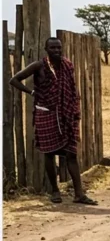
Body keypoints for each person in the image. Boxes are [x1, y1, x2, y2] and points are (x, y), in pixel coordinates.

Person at [9, 36, 98, 205]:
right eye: (53, 48)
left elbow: (71, 89)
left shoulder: (67, 65)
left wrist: (73, 109)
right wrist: (32, 93)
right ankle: (55, 191)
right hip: (46, 113)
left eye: (59, 48)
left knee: (71, 153)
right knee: (49, 154)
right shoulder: (39, 66)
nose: (56, 51)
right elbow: (14, 80)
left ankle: (79, 194)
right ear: (46, 49)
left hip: (65, 114)